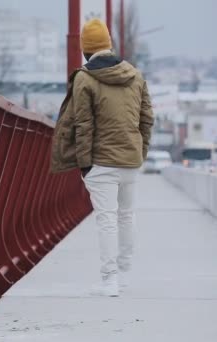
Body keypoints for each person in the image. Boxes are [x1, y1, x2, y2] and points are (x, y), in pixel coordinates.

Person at [50, 18, 154, 297]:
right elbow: (147, 119)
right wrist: (139, 152)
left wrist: (85, 165)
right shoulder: (136, 75)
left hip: (101, 161)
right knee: (126, 215)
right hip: (130, 160)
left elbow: (83, 125)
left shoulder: (85, 78)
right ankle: (125, 271)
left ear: (86, 49)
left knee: (107, 219)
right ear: (108, 45)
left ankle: (110, 280)